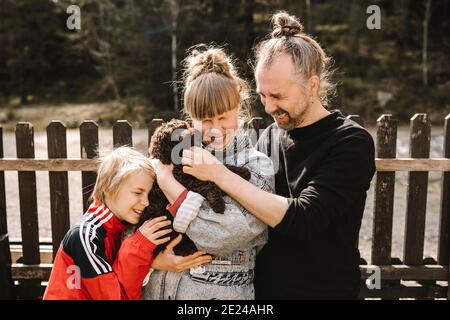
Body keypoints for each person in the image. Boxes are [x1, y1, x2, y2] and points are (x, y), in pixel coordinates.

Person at [180, 12, 376, 299]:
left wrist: (218, 174)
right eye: (262, 95)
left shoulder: (350, 142)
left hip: (323, 292)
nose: (269, 107)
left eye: (279, 96)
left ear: (312, 85)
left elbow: (304, 220)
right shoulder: (270, 136)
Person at [141, 46, 275, 300]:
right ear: (190, 118)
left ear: (239, 105)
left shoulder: (258, 167)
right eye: (205, 121)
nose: (215, 129)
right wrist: (152, 259)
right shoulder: (172, 157)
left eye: (223, 118)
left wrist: (168, 182)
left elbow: (222, 236)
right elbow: (135, 216)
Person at [43, 146, 172, 300]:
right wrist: (139, 247)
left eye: (148, 194)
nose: (146, 202)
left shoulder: (122, 229)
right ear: (108, 188)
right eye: (138, 192)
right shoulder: (85, 236)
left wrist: (152, 262)